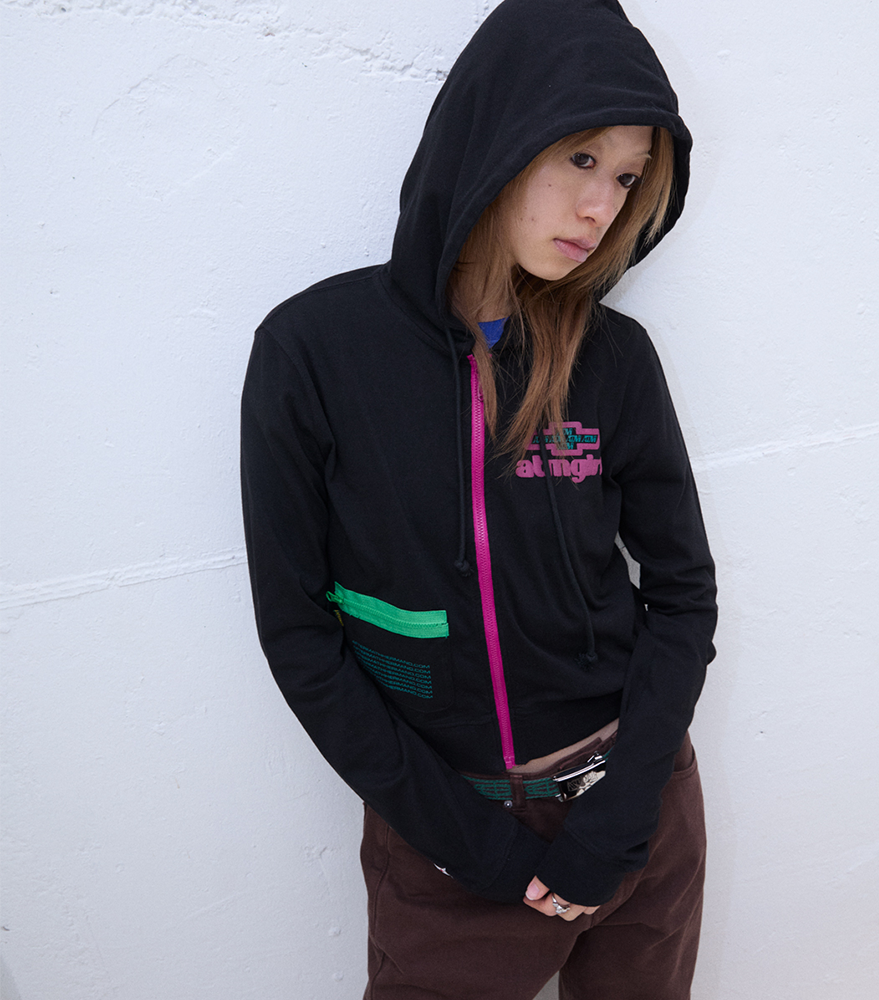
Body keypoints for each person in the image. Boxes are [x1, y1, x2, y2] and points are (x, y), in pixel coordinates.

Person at [240, 0, 717, 996]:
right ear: (496, 130)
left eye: (627, 177)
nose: (601, 206)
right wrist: (472, 845)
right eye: (581, 158)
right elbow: (300, 635)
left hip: (635, 814)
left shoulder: (613, 359)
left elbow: (682, 595)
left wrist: (622, 811)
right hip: (446, 845)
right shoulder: (314, 352)